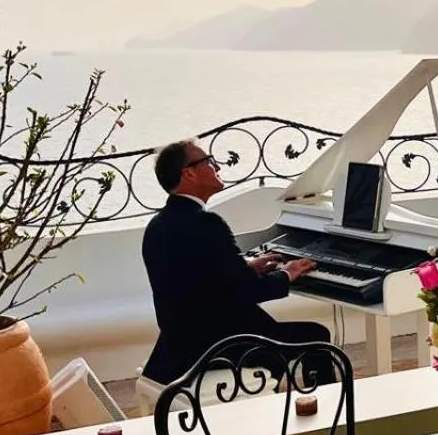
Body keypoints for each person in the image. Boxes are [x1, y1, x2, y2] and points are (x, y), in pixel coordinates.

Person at [141, 139, 334, 386]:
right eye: (209, 161)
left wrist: (246, 266)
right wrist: (286, 273)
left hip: (178, 344)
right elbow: (247, 291)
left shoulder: (157, 226)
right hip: (219, 344)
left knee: (288, 334)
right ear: (188, 173)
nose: (218, 167)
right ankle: (324, 415)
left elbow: (198, 279)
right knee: (317, 337)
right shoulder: (207, 223)